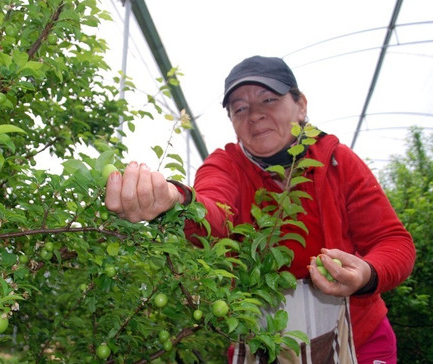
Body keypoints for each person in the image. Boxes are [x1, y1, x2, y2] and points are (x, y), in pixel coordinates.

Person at [105, 55, 415, 364]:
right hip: (262, 347)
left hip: (358, 339)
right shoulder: (226, 165)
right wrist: (180, 202)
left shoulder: (336, 161)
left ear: (301, 105)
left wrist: (367, 273)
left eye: (269, 99)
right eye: (239, 108)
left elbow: (393, 241)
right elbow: (214, 211)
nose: (254, 115)